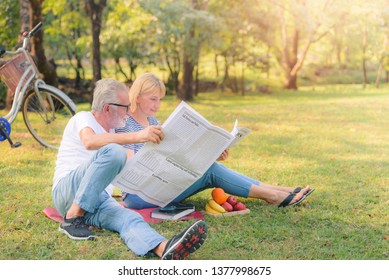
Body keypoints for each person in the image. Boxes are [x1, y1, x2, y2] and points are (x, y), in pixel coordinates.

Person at [52, 78, 207, 260]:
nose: (129, 111)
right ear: (108, 108)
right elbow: (90, 141)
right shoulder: (83, 118)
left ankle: (164, 248)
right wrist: (138, 135)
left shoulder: (113, 132)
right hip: (67, 193)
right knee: (115, 152)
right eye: (125, 107)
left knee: (129, 218)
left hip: (98, 199)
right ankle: (72, 217)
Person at [115, 73, 315, 209]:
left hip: (160, 184)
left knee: (208, 165)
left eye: (160, 99)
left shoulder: (152, 121)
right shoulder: (125, 124)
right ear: (137, 97)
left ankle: (280, 190)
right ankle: (273, 196)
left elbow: (171, 155)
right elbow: (129, 165)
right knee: (209, 172)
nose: (157, 105)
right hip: (138, 195)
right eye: (153, 99)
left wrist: (207, 154)